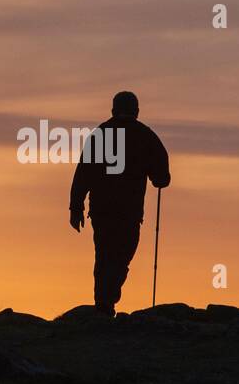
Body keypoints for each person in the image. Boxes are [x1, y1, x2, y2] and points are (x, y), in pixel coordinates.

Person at [69, 91, 170, 316]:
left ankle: (103, 302)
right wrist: (159, 177)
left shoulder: (101, 134)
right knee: (122, 255)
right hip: (129, 211)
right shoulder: (145, 136)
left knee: (104, 254)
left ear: (113, 109)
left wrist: (76, 206)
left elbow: (83, 172)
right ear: (136, 111)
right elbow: (162, 177)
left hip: (102, 210)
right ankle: (107, 300)